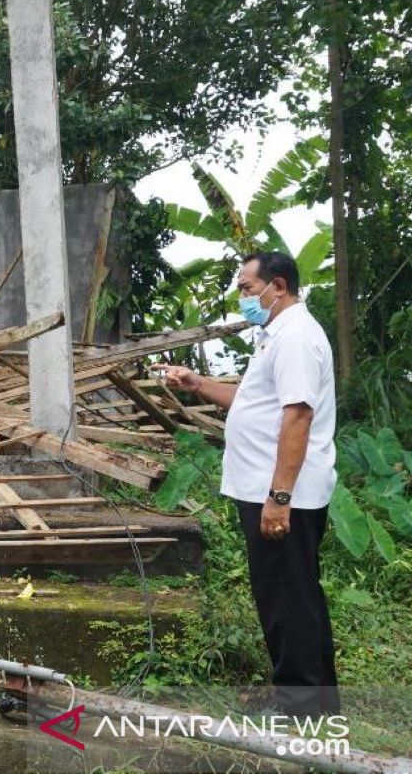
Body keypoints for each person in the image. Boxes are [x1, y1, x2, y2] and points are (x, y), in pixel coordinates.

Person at [153, 251, 340, 718]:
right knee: (291, 594)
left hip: (280, 494)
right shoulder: (274, 335)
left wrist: (279, 498)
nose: (242, 298)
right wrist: (197, 384)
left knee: (288, 599)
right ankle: (311, 702)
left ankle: (302, 709)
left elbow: (297, 416)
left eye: (247, 288)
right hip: (269, 490)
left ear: (278, 286)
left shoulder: (295, 336)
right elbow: (250, 399)